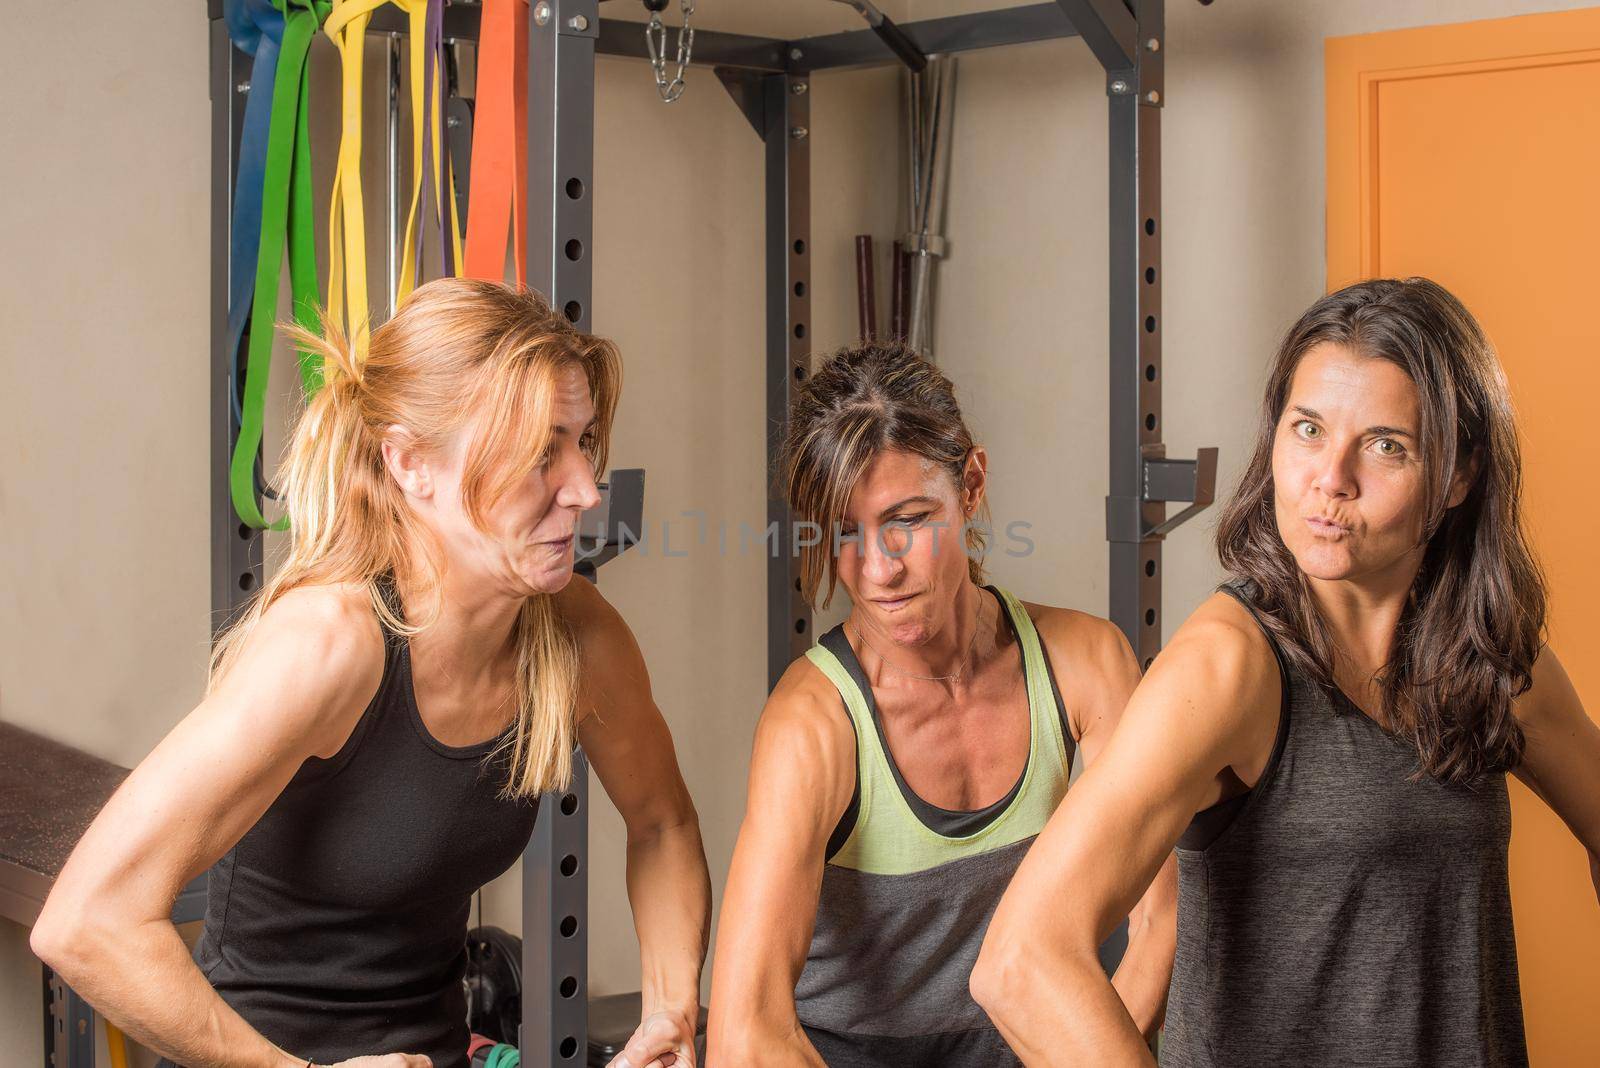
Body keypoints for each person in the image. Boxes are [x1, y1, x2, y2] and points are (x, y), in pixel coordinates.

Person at [31, 279, 711, 1068]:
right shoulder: (329, 646)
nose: (588, 491)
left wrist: (670, 1013)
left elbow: (663, 825)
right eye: (539, 454)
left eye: (583, 442)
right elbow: (84, 920)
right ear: (410, 464)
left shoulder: (574, 633)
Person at [974, 278, 1600, 1067]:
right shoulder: (1228, 667)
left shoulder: (1488, 659)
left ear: (1459, 475)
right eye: (1308, 429)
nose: (1330, 478)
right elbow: (1023, 961)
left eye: (1384, 445)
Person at [707, 343, 1177, 1067]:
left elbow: (1164, 919)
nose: (879, 570)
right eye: (843, 534)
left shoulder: (1084, 662)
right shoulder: (812, 723)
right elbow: (747, 1036)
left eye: (909, 518)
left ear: (974, 485)